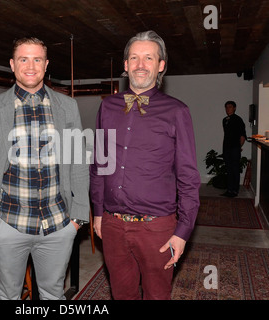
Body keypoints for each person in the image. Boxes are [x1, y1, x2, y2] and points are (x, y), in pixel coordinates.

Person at [0, 37, 89, 300]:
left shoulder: (67, 107)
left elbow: (79, 162)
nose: (30, 66)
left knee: (52, 294)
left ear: (46, 65)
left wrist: (78, 217)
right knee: (9, 295)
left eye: (37, 59)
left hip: (58, 224)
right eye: (23, 59)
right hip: (8, 224)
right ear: (13, 65)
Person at [90, 30, 201, 300]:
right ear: (125, 65)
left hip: (157, 228)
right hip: (113, 225)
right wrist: (97, 212)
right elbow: (99, 165)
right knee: (122, 294)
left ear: (161, 66)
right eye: (134, 58)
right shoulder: (107, 107)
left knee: (156, 295)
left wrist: (183, 232)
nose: (141, 65)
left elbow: (188, 176)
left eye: (148, 58)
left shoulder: (177, 111)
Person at [221, 101, 246, 198]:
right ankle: (229, 189)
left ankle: (235, 191)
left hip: (235, 148)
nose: (228, 109)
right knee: (229, 169)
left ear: (234, 108)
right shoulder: (224, 120)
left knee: (235, 169)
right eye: (226, 107)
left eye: (230, 107)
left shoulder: (238, 120)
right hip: (226, 148)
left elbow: (242, 135)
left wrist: (238, 147)